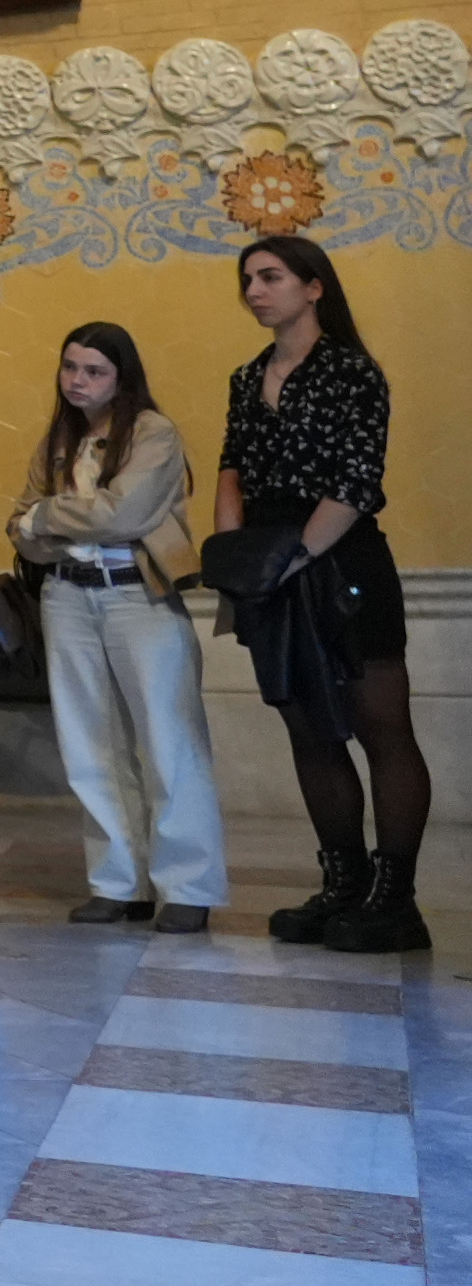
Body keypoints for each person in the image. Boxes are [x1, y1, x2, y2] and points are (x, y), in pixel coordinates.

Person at [215, 235, 427, 951]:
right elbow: (231, 469)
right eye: (248, 278)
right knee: (307, 728)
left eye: (270, 277)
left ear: (313, 288)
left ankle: (395, 900)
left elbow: (357, 483)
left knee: (380, 725)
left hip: (342, 558)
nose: (254, 290)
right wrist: (236, 558)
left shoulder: (351, 372)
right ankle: (343, 884)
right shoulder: (248, 377)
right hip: (270, 562)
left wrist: (296, 557)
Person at [9, 322, 224, 932]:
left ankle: (188, 886)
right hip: (66, 595)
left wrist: (48, 516)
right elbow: (17, 525)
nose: (77, 380)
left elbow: (121, 514)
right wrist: (44, 526)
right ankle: (118, 883)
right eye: (69, 367)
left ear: (121, 377)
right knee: (89, 744)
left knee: (169, 741)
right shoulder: (58, 438)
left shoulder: (154, 433)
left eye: (94, 371)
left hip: (138, 595)